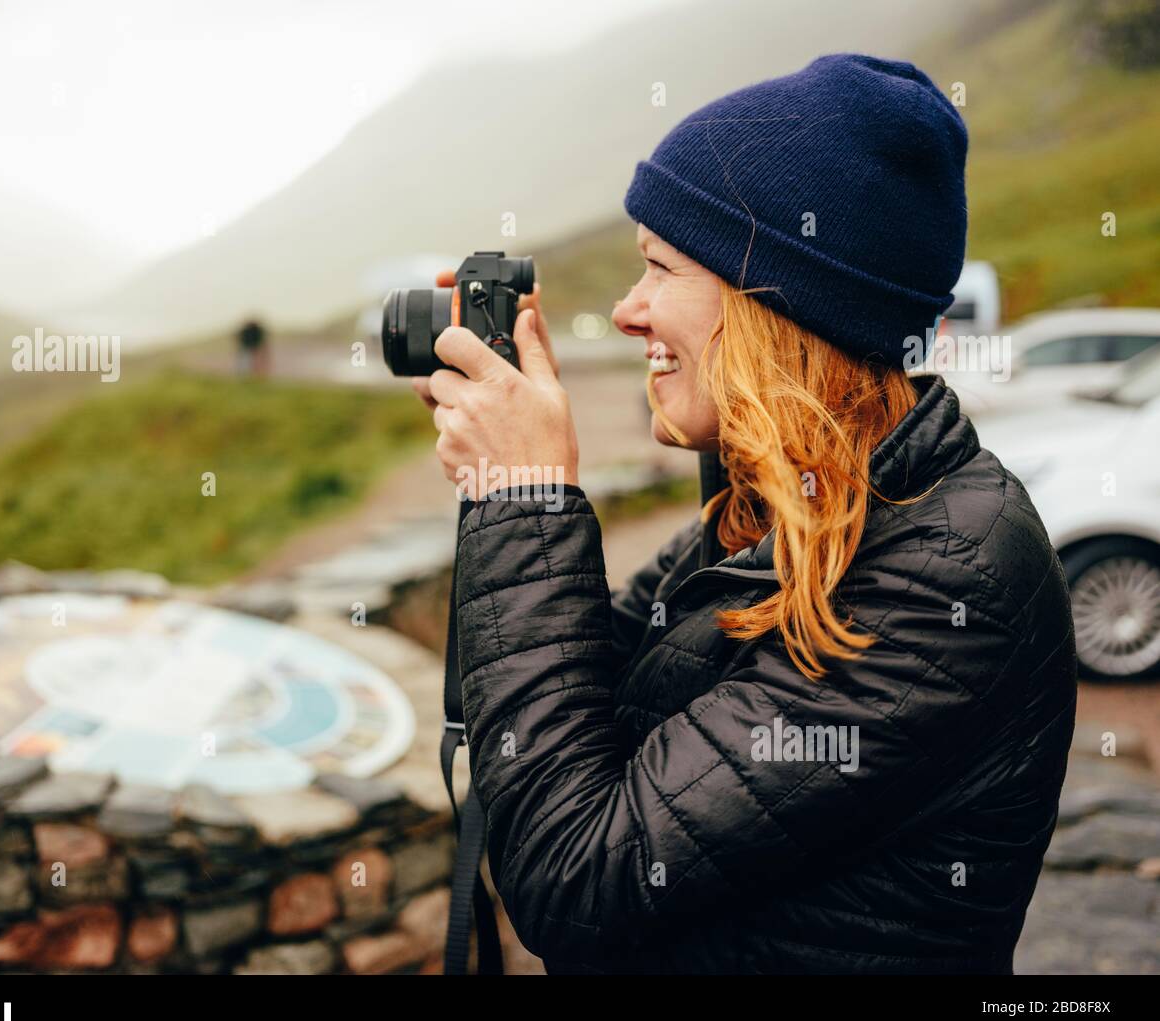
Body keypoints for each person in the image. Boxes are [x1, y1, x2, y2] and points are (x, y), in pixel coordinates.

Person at [411, 54, 1077, 974]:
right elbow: (589, 700)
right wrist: (515, 475)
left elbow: (575, 877)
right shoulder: (781, 510)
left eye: (659, 268)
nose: (627, 310)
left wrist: (525, 499)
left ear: (779, 306)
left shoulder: (946, 573)